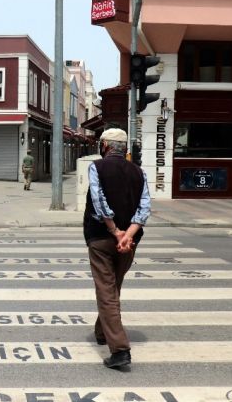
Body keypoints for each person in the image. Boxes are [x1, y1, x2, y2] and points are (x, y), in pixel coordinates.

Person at [83, 128, 150, 370]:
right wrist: (128, 235)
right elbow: (144, 208)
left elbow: (98, 200)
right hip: (129, 243)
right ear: (124, 149)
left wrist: (115, 231)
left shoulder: (97, 167)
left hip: (102, 238)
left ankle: (120, 349)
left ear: (105, 146)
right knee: (113, 288)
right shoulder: (139, 172)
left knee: (106, 291)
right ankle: (103, 332)